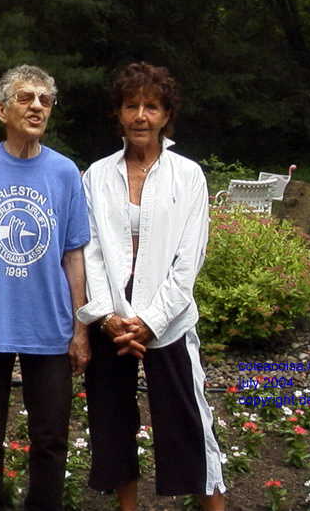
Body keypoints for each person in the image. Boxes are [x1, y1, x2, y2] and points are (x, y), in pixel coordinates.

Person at [75, 62, 226, 510]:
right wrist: (109, 317)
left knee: (189, 423)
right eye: (131, 105)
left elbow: (188, 259)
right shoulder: (97, 175)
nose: (141, 115)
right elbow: (90, 250)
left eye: (151, 106)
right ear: (118, 114)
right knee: (113, 423)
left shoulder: (188, 175)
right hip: (112, 323)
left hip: (170, 323)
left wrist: (150, 322)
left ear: (166, 115)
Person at [0, 64, 90, 511]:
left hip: (50, 326)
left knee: (51, 438)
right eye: (26, 98)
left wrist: (81, 327)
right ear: (1, 109)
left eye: (45, 100)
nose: (37, 107)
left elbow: (74, 254)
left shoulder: (65, 173)